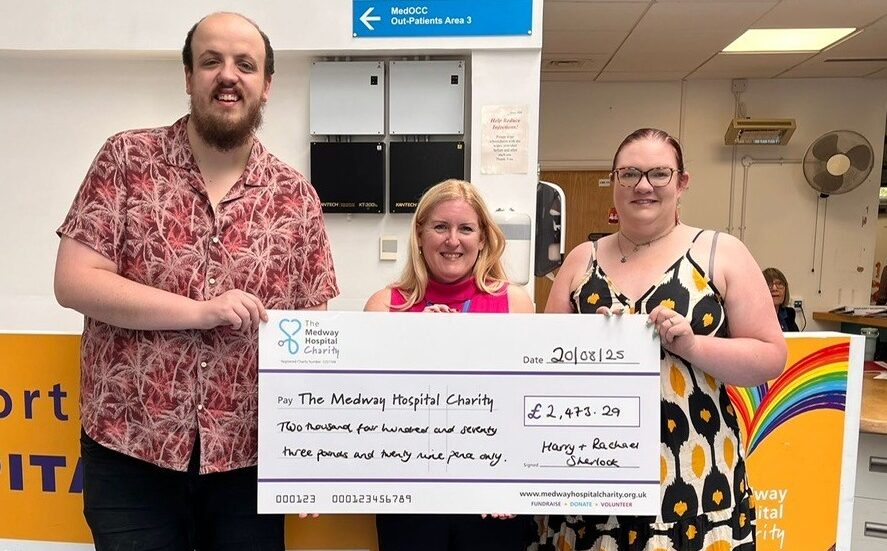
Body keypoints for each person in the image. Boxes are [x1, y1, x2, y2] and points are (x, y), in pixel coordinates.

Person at [53, 12, 338, 551]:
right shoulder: (126, 159)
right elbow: (74, 282)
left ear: (267, 86)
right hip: (129, 449)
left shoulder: (295, 196)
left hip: (248, 461)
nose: (227, 75)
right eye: (211, 61)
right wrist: (201, 310)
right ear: (188, 77)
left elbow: (310, 336)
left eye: (245, 65)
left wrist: (310, 452)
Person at [537, 129, 787, 551]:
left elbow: (769, 357)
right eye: (630, 173)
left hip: (695, 472)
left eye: (658, 173)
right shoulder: (583, 259)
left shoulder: (719, 252)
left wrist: (692, 345)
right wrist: (588, 343)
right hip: (594, 472)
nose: (643, 185)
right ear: (614, 182)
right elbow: (542, 364)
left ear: (682, 182)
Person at [365, 179, 535, 551]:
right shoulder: (385, 306)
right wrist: (413, 343)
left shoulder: (515, 303)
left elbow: (527, 405)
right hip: (409, 499)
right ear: (420, 234)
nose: (452, 240)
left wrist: (515, 483)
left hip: (493, 501)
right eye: (441, 227)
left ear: (483, 239)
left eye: (466, 228)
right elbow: (365, 406)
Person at [763, 267, 799, 332]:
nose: (774, 288)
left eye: (779, 284)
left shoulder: (789, 314)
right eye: (769, 284)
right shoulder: (754, 316)